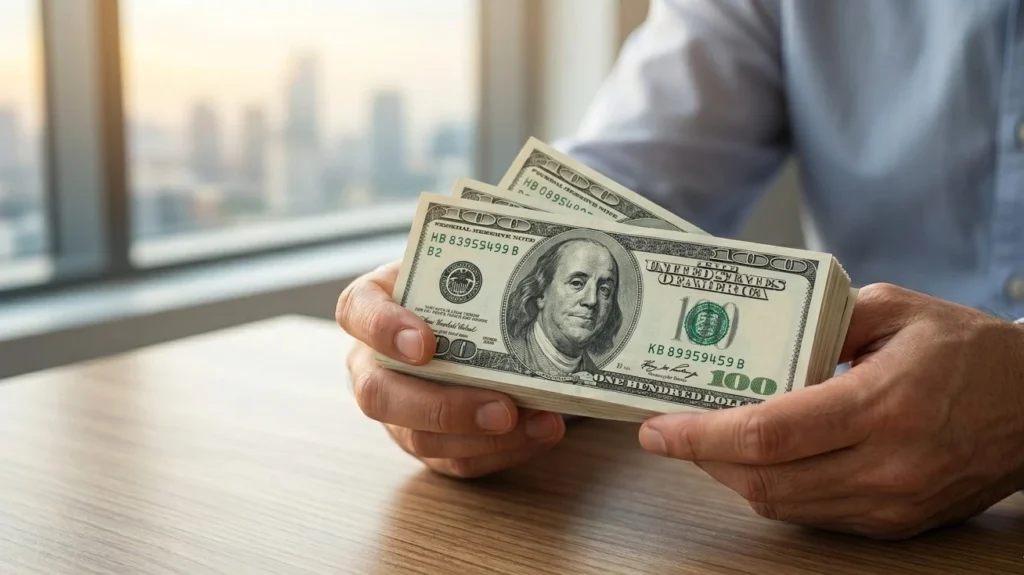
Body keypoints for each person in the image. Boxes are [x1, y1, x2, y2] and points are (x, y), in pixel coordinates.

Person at [336, 1, 1024, 540]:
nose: (595, 298)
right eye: (577, 281)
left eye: (606, 287)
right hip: (840, 506)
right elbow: (631, 179)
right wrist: (436, 312)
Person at [505, 238, 623, 377]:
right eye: (576, 283)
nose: (591, 300)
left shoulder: (596, 378)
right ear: (541, 293)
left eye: (604, 289)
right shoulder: (510, 354)